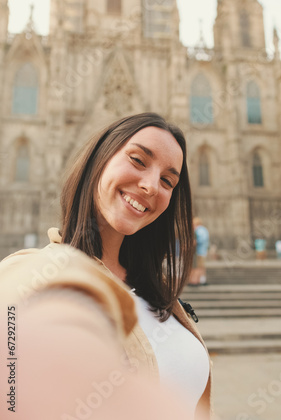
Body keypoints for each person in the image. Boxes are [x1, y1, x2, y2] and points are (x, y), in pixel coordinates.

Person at [0, 113, 211, 420]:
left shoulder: (160, 293)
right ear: (99, 159)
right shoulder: (37, 272)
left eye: (168, 181)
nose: (151, 185)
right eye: (138, 160)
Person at [189, 217, 209, 286]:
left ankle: (195, 280)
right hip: (203, 251)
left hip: (199, 251)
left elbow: (199, 240)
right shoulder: (204, 229)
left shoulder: (199, 230)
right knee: (202, 267)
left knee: (198, 267)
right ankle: (202, 280)